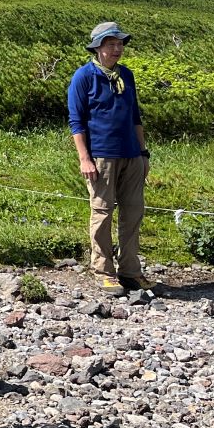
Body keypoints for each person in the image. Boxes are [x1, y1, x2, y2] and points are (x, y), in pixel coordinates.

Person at [68, 21, 149, 297]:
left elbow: (135, 117)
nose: (117, 49)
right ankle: (103, 270)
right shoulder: (84, 76)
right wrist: (84, 158)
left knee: (133, 212)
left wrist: (143, 152)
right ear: (98, 48)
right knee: (102, 213)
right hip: (101, 155)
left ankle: (130, 271)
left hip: (131, 154)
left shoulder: (126, 75)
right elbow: (76, 121)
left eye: (120, 44)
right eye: (111, 44)